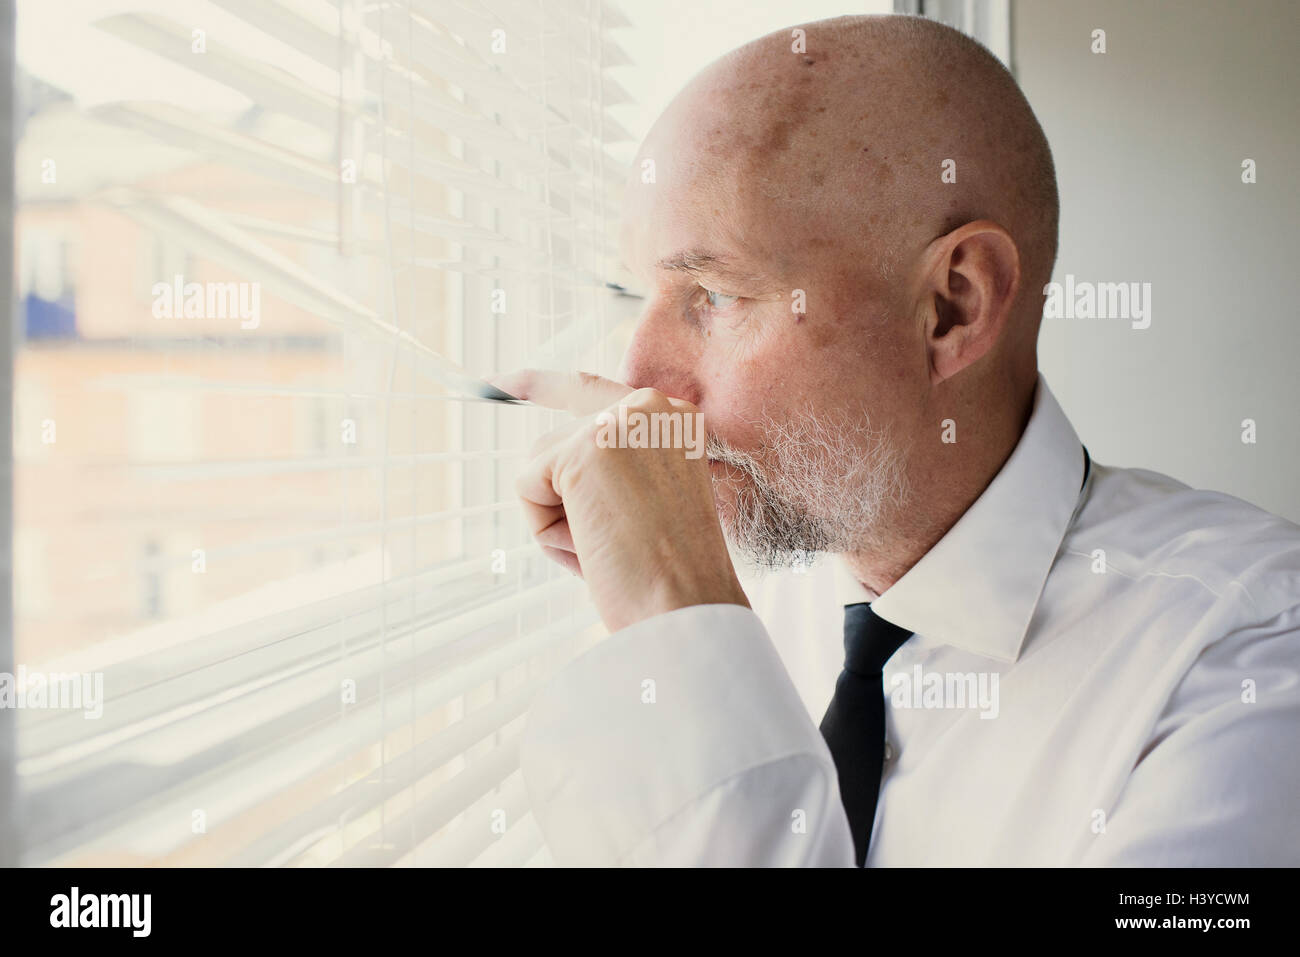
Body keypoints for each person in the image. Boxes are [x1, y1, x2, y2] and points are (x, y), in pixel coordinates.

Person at [490, 14, 1300, 865]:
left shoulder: (1249, 664)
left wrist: (682, 625)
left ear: (954, 305)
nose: (644, 382)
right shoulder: (751, 590)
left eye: (715, 295)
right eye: (633, 297)